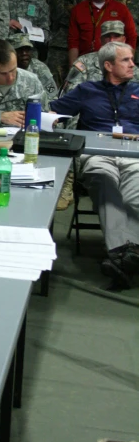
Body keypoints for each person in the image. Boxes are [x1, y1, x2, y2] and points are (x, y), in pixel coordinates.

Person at [50, 42, 139, 288]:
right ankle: (124, 252)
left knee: (135, 195)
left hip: (134, 156)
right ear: (108, 66)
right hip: (97, 154)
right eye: (126, 60)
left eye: (132, 60)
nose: (133, 64)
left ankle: (123, 256)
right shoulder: (86, 90)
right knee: (104, 181)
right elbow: (53, 113)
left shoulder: (138, 91)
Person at [67, 0, 136, 64]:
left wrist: (128, 61)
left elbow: (131, 36)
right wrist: (73, 67)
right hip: (86, 62)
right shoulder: (78, 10)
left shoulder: (121, 9)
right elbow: (73, 41)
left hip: (114, 63)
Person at [47, 0, 91, 86]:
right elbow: (56, 13)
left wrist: (73, 10)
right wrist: (80, 11)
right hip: (60, 42)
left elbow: (93, 15)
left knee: (83, 82)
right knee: (55, 83)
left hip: (85, 42)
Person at [61, 20, 139, 96]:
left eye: (116, 36)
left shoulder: (132, 69)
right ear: (101, 40)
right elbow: (71, 94)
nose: (112, 40)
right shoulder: (84, 62)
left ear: (124, 40)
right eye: (107, 37)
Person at [13, 34, 57, 99]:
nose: (24, 53)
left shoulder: (39, 68)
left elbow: (52, 96)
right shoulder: (4, 69)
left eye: (27, 49)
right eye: (20, 50)